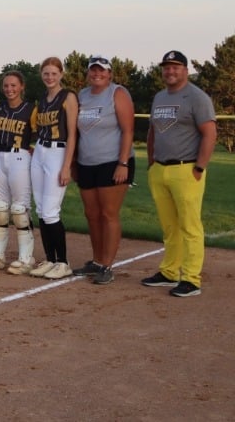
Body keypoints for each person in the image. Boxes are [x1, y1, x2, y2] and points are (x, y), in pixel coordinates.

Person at [141, 50, 216, 297]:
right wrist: (151, 162)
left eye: (175, 67)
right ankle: (169, 272)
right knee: (169, 226)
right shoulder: (160, 97)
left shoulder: (197, 97)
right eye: (166, 67)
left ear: (185, 70)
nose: (170, 71)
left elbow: (209, 133)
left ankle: (191, 279)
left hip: (187, 168)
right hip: (160, 169)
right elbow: (153, 131)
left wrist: (200, 167)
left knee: (190, 226)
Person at [73, 55, 135, 284]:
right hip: (86, 162)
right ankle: (97, 260)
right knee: (92, 214)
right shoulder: (82, 96)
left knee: (108, 214)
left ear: (109, 74)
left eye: (102, 71)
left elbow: (128, 130)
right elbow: (77, 132)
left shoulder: (117, 93)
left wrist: (123, 163)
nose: (97, 74)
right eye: (93, 70)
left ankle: (107, 265)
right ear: (88, 73)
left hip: (112, 161)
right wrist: (74, 163)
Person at [28, 57, 78, 279]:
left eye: (54, 73)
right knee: (41, 209)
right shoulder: (43, 98)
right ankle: (50, 259)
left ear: (61, 74)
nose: (50, 77)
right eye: (46, 73)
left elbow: (73, 134)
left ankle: (63, 262)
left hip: (58, 151)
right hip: (40, 150)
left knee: (50, 211)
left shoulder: (68, 97)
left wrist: (67, 165)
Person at [0, 71, 38, 274]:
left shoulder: (31, 109)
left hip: (20, 157)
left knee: (19, 209)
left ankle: (26, 258)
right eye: (6, 85)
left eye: (14, 85)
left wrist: (34, 151)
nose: (10, 89)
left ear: (22, 86)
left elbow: (40, 134)